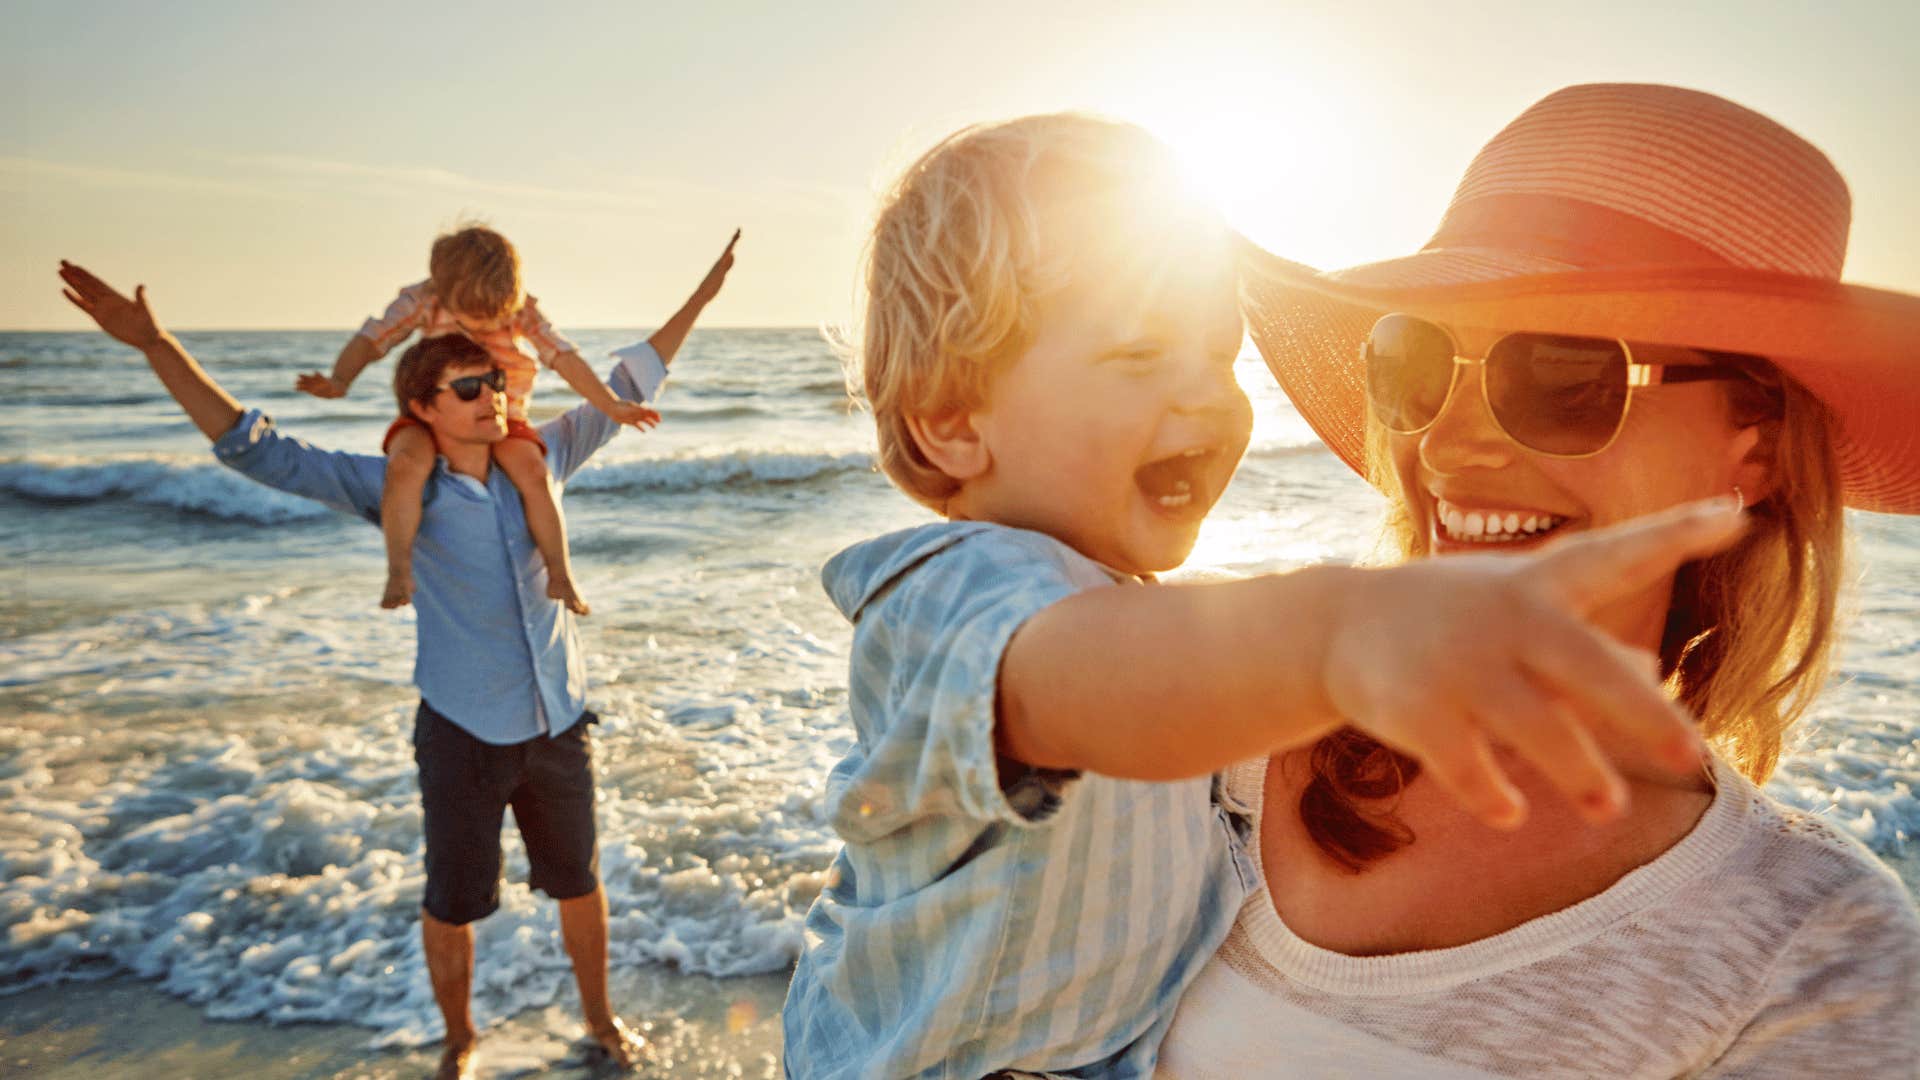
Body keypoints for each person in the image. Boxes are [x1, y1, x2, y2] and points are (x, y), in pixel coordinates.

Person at [780, 112, 1749, 1079]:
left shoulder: (1128, 608)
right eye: (1139, 356)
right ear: (952, 423)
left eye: (1223, 355)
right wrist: (1340, 634)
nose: (1210, 399)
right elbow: (1090, 684)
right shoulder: (949, 597)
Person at [1158, 83, 1920, 1077]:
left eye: (1563, 376)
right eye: (1417, 362)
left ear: (1757, 449)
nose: (1453, 442)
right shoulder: (1194, 701)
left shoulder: (1821, 950)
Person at [56, 233, 737, 1079]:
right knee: (453, 902)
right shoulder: (392, 488)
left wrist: (703, 297)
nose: (493, 394)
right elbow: (256, 448)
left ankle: (600, 1023)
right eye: (469, 387)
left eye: (494, 380)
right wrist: (159, 346)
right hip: (460, 731)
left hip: (560, 721)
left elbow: (632, 377)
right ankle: (460, 1042)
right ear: (424, 407)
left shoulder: (546, 458)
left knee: (580, 883)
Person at [295, 225, 694, 616]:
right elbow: (373, 338)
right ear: (442, 289)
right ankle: (399, 570)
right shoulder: (424, 299)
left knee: (533, 472)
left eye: (496, 315)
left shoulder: (521, 307)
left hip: (504, 413)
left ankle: (560, 573)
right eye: (473, 316)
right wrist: (340, 379)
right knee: (405, 466)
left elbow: (563, 357)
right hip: (438, 409)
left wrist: (610, 404)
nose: (487, 325)